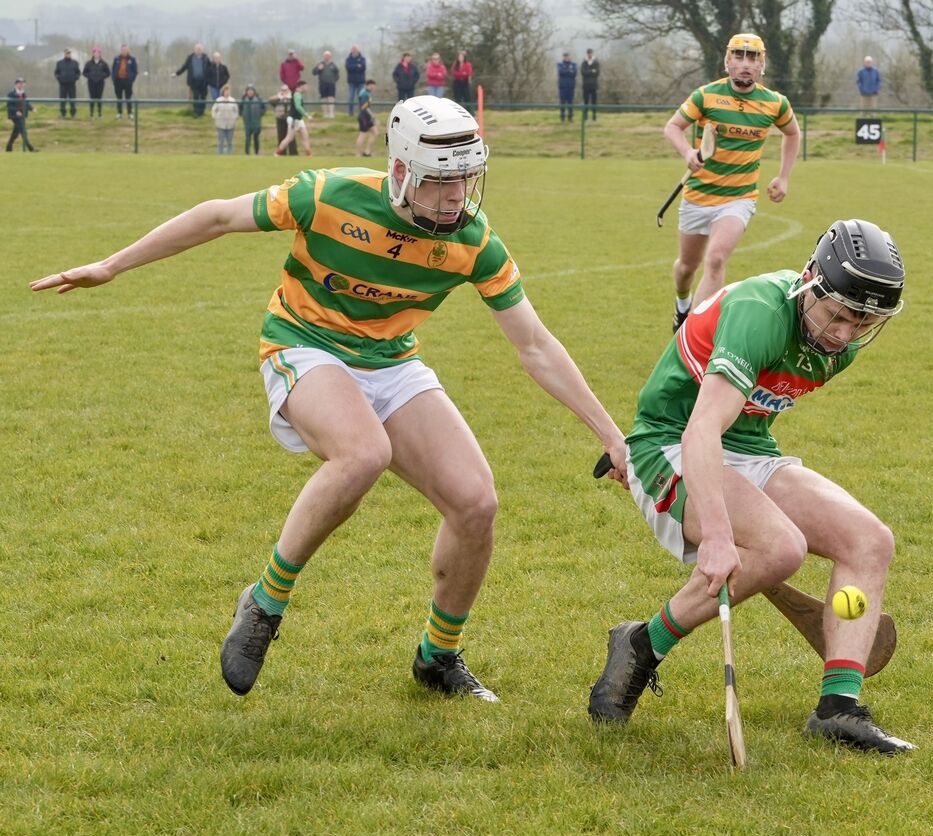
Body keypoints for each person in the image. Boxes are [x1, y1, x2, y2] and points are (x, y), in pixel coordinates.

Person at [29, 95, 628, 704]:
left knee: (476, 503)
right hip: (304, 344)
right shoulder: (329, 195)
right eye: (441, 182)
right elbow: (216, 217)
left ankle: (437, 657)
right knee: (364, 452)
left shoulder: (474, 241)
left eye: (466, 181)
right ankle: (264, 603)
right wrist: (111, 265)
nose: (457, 199)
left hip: (392, 361)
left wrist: (609, 433)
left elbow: (535, 345)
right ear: (399, 173)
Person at [587, 218, 915, 756]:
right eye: (838, 315)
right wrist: (717, 535)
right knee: (779, 547)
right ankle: (644, 644)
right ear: (812, 280)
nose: (843, 334)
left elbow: (747, 424)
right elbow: (700, 429)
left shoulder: (842, 345)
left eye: (862, 322)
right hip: (671, 440)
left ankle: (839, 709)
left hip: (747, 448)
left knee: (870, 541)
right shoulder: (761, 313)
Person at [663, 33, 801, 332]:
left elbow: (793, 133)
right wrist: (687, 151)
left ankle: (691, 334)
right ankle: (682, 304)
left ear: (762, 65)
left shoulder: (775, 103)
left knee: (715, 260)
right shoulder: (706, 96)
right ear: (727, 62)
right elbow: (673, 127)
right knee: (686, 268)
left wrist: (784, 176)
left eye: (753, 58)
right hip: (698, 195)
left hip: (738, 198)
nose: (745, 64)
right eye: (738, 57)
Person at [274, 80, 312, 157]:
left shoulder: (299, 94)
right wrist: (307, 115)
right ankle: (277, 152)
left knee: (305, 135)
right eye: (306, 86)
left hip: (299, 119)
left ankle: (309, 154)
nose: (307, 88)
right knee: (289, 138)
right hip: (294, 119)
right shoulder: (297, 94)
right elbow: (298, 107)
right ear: (302, 86)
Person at [175, 44, 211, 117]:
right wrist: (177, 73)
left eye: (200, 49)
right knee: (196, 97)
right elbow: (184, 67)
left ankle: (201, 112)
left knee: (203, 97)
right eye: (197, 49)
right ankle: (196, 112)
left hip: (203, 82)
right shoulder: (190, 58)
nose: (198, 50)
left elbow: (210, 68)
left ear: (202, 50)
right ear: (194, 50)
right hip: (194, 82)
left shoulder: (206, 58)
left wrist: (210, 79)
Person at [6, 77, 36, 152]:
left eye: (23, 83)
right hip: (15, 116)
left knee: (15, 133)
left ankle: (8, 148)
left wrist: (32, 108)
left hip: (22, 116)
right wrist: (16, 111)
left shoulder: (23, 93)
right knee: (23, 131)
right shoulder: (11, 94)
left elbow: (26, 103)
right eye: (20, 83)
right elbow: (9, 105)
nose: (22, 85)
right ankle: (30, 148)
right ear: (16, 84)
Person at [269, 84, 298, 156]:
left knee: (291, 137)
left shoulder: (292, 97)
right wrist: (280, 97)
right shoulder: (277, 98)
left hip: (290, 119)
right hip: (280, 118)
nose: (284, 92)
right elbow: (270, 100)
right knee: (281, 136)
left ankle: (293, 153)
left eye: (285, 90)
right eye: (283, 90)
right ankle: (282, 153)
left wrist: (289, 96)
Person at [112, 45, 138, 120]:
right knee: (119, 98)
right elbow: (113, 70)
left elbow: (135, 71)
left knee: (128, 98)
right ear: (120, 50)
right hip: (118, 81)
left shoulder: (132, 59)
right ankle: (119, 113)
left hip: (128, 81)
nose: (124, 51)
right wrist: (114, 79)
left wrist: (131, 80)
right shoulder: (116, 59)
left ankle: (130, 113)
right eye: (122, 50)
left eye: (125, 50)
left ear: (128, 50)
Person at [83, 47, 110, 118]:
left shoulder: (103, 63)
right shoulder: (88, 63)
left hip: (100, 83)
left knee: (99, 98)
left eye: (98, 53)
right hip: (91, 83)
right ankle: (91, 114)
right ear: (93, 54)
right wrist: (90, 76)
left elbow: (108, 73)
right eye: (95, 53)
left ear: (100, 54)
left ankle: (100, 114)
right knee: (92, 98)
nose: (96, 54)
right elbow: (84, 73)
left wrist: (102, 76)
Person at [212, 83, 238, 154]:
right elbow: (214, 110)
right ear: (223, 92)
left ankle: (229, 153)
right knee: (221, 141)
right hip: (220, 124)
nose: (227, 92)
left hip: (230, 124)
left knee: (230, 141)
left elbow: (236, 112)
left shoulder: (233, 100)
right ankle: (220, 154)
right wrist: (215, 118)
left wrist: (234, 119)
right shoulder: (218, 100)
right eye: (225, 91)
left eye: (228, 91)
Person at [240, 84, 267, 154]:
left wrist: (260, 114)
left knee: (256, 138)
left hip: (256, 123)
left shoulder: (258, 99)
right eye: (248, 91)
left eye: (251, 90)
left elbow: (264, 108)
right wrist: (242, 114)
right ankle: (247, 153)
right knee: (247, 139)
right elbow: (240, 108)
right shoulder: (243, 99)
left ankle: (256, 152)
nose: (250, 92)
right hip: (247, 122)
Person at [54, 49, 81, 118]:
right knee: (62, 100)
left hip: (72, 84)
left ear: (70, 54)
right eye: (66, 53)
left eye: (69, 53)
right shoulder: (59, 63)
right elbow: (56, 73)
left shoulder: (75, 63)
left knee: (72, 99)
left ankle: (73, 114)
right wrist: (60, 79)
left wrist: (75, 78)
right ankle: (63, 114)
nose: (68, 54)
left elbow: (78, 73)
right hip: (62, 85)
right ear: (64, 54)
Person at [314, 50, 339, 119]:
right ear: (323, 56)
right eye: (325, 56)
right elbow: (314, 72)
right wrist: (319, 69)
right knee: (324, 99)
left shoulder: (333, 65)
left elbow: (337, 74)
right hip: (322, 84)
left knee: (331, 99)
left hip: (331, 84)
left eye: (328, 56)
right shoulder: (320, 64)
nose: (327, 57)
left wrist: (334, 80)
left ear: (330, 57)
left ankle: (331, 114)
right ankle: (325, 114)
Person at [355, 79, 378, 156]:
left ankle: (367, 151)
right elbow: (363, 107)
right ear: (370, 85)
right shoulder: (364, 94)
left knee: (375, 132)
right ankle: (358, 154)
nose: (374, 88)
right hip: (364, 116)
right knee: (362, 134)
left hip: (366, 116)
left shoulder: (367, 93)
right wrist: (372, 115)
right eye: (373, 86)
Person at [345, 45, 367, 115]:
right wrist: (357, 66)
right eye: (353, 49)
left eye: (355, 49)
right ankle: (350, 113)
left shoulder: (362, 59)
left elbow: (363, 68)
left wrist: (354, 67)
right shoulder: (348, 59)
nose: (354, 51)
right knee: (351, 97)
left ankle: (362, 112)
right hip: (351, 81)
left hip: (361, 81)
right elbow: (349, 68)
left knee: (361, 97)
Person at [557, 51, 577, 122]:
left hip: (571, 87)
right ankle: (562, 117)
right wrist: (569, 71)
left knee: (570, 102)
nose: (567, 58)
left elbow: (574, 73)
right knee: (562, 102)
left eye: (568, 56)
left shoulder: (574, 64)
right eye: (565, 56)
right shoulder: (560, 64)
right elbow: (561, 72)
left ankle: (570, 117)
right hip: (562, 87)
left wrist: (567, 71)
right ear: (563, 57)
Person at [581, 49, 599, 121]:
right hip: (586, 85)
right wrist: (592, 71)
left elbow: (597, 73)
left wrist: (588, 72)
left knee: (594, 102)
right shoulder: (584, 63)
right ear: (587, 54)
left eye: (590, 53)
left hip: (594, 85)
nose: (589, 54)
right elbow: (583, 72)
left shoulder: (596, 63)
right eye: (588, 53)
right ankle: (585, 117)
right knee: (586, 101)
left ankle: (594, 116)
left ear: (592, 54)